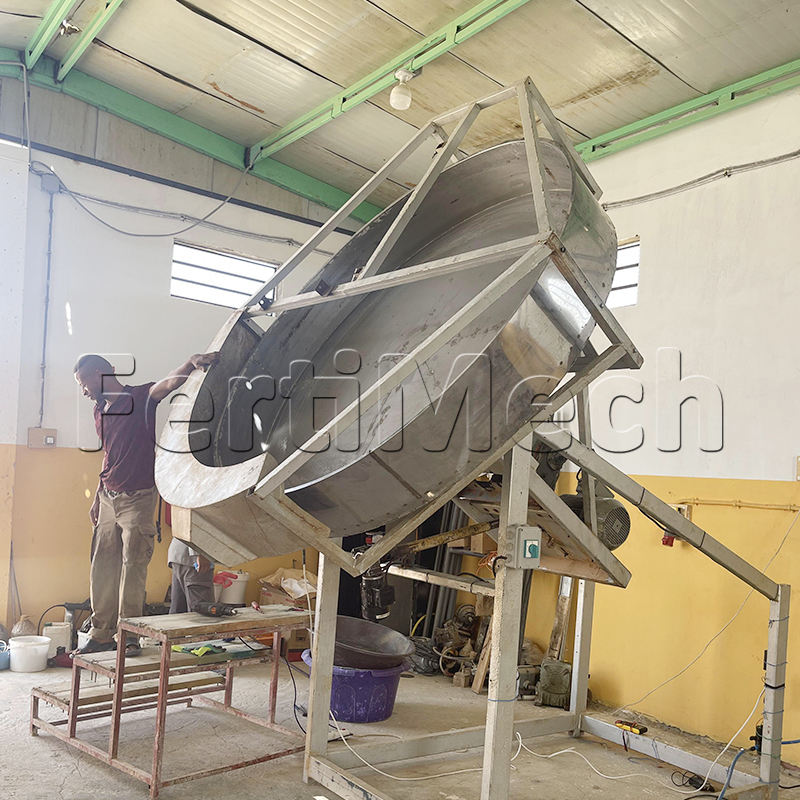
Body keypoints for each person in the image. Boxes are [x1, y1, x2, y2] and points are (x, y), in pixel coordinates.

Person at [73, 351, 218, 655]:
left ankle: (128, 636)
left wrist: (190, 363)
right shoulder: (99, 411)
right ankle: (101, 634)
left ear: (101, 374)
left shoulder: (139, 398)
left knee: (133, 566)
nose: (83, 391)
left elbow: (167, 385)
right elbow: (109, 453)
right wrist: (98, 495)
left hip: (138, 497)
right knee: (102, 566)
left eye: (84, 383)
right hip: (108, 495)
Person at [168, 539, 214, 613]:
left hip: (180, 553)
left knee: (178, 613)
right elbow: (196, 531)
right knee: (202, 613)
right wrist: (201, 553)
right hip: (194, 559)